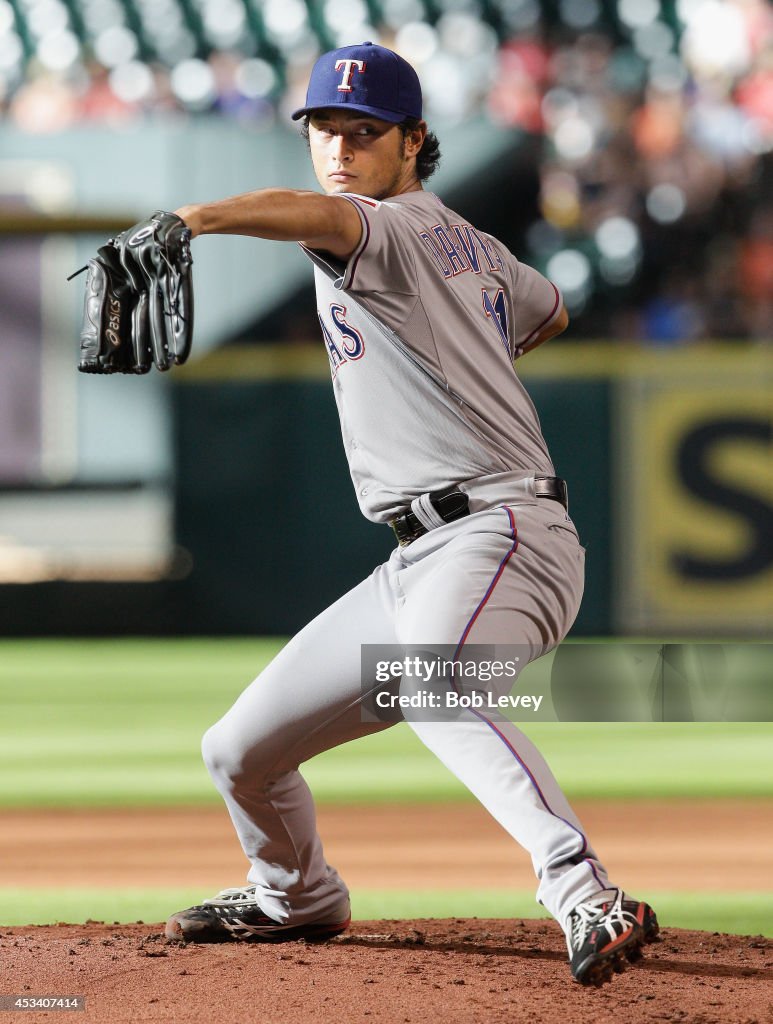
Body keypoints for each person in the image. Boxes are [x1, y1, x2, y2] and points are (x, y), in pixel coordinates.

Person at [164, 41, 658, 986]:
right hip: (417, 561)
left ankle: (583, 892)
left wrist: (192, 219)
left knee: (436, 686)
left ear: (413, 141)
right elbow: (545, 311)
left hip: (500, 533)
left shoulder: (377, 225)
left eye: (365, 132)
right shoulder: (471, 243)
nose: (341, 149)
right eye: (324, 130)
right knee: (237, 753)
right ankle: (294, 894)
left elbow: (314, 214)